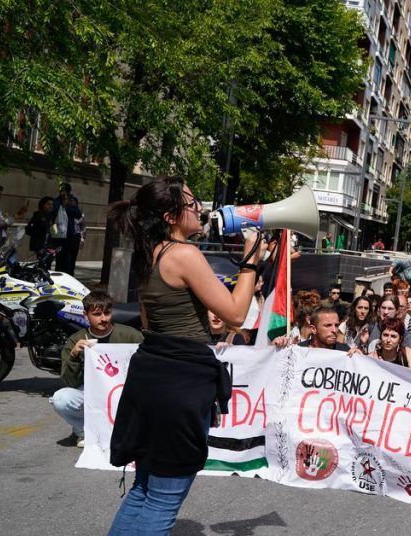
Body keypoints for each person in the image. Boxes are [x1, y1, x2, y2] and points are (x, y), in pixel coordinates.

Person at [106, 176, 266, 534]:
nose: (200, 210)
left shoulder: (152, 253)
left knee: (143, 491)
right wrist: (251, 261)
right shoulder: (185, 254)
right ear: (170, 215)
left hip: (151, 382)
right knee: (163, 502)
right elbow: (237, 315)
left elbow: (154, 321)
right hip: (179, 388)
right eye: (192, 204)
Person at [51, 292, 144, 447]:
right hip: (91, 391)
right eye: (97, 314)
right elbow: (70, 382)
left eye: (107, 313)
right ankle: (83, 432)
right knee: (61, 398)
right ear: (86, 315)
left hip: (124, 389)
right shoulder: (75, 340)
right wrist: (74, 355)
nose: (103, 318)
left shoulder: (130, 335)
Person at [54, 183, 84, 276]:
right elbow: (53, 212)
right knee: (60, 262)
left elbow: (78, 215)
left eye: (64, 190)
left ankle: (69, 278)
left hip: (71, 237)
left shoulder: (72, 200)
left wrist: (72, 205)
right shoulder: (57, 201)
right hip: (59, 236)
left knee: (70, 263)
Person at [26, 196, 56, 263]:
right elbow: (29, 229)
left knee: (47, 264)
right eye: (48, 204)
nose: (50, 206)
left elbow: (54, 231)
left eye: (52, 205)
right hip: (40, 245)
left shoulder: (52, 216)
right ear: (43, 205)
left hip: (49, 245)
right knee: (42, 263)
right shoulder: (38, 215)